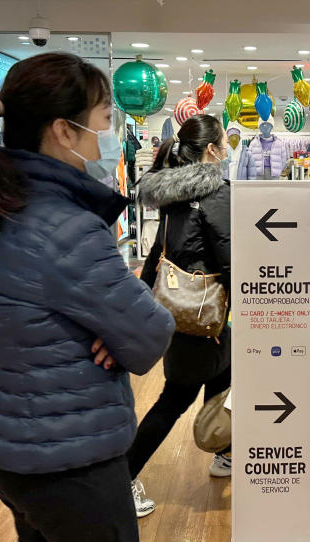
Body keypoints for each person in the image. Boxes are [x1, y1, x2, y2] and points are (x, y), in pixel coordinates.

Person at [0, 53, 175, 542]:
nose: (109, 128)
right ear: (64, 130)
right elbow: (149, 334)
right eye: (102, 114)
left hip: (15, 446)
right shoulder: (64, 227)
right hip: (74, 458)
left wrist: (106, 331)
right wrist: (112, 333)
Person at [131, 114, 232, 516]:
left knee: (223, 380)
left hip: (184, 308)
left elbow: (159, 251)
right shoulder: (216, 192)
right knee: (175, 398)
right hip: (206, 313)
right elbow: (228, 253)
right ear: (211, 150)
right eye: (223, 143)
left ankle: (223, 451)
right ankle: (124, 474)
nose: (226, 150)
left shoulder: (173, 193)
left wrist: (143, 295)